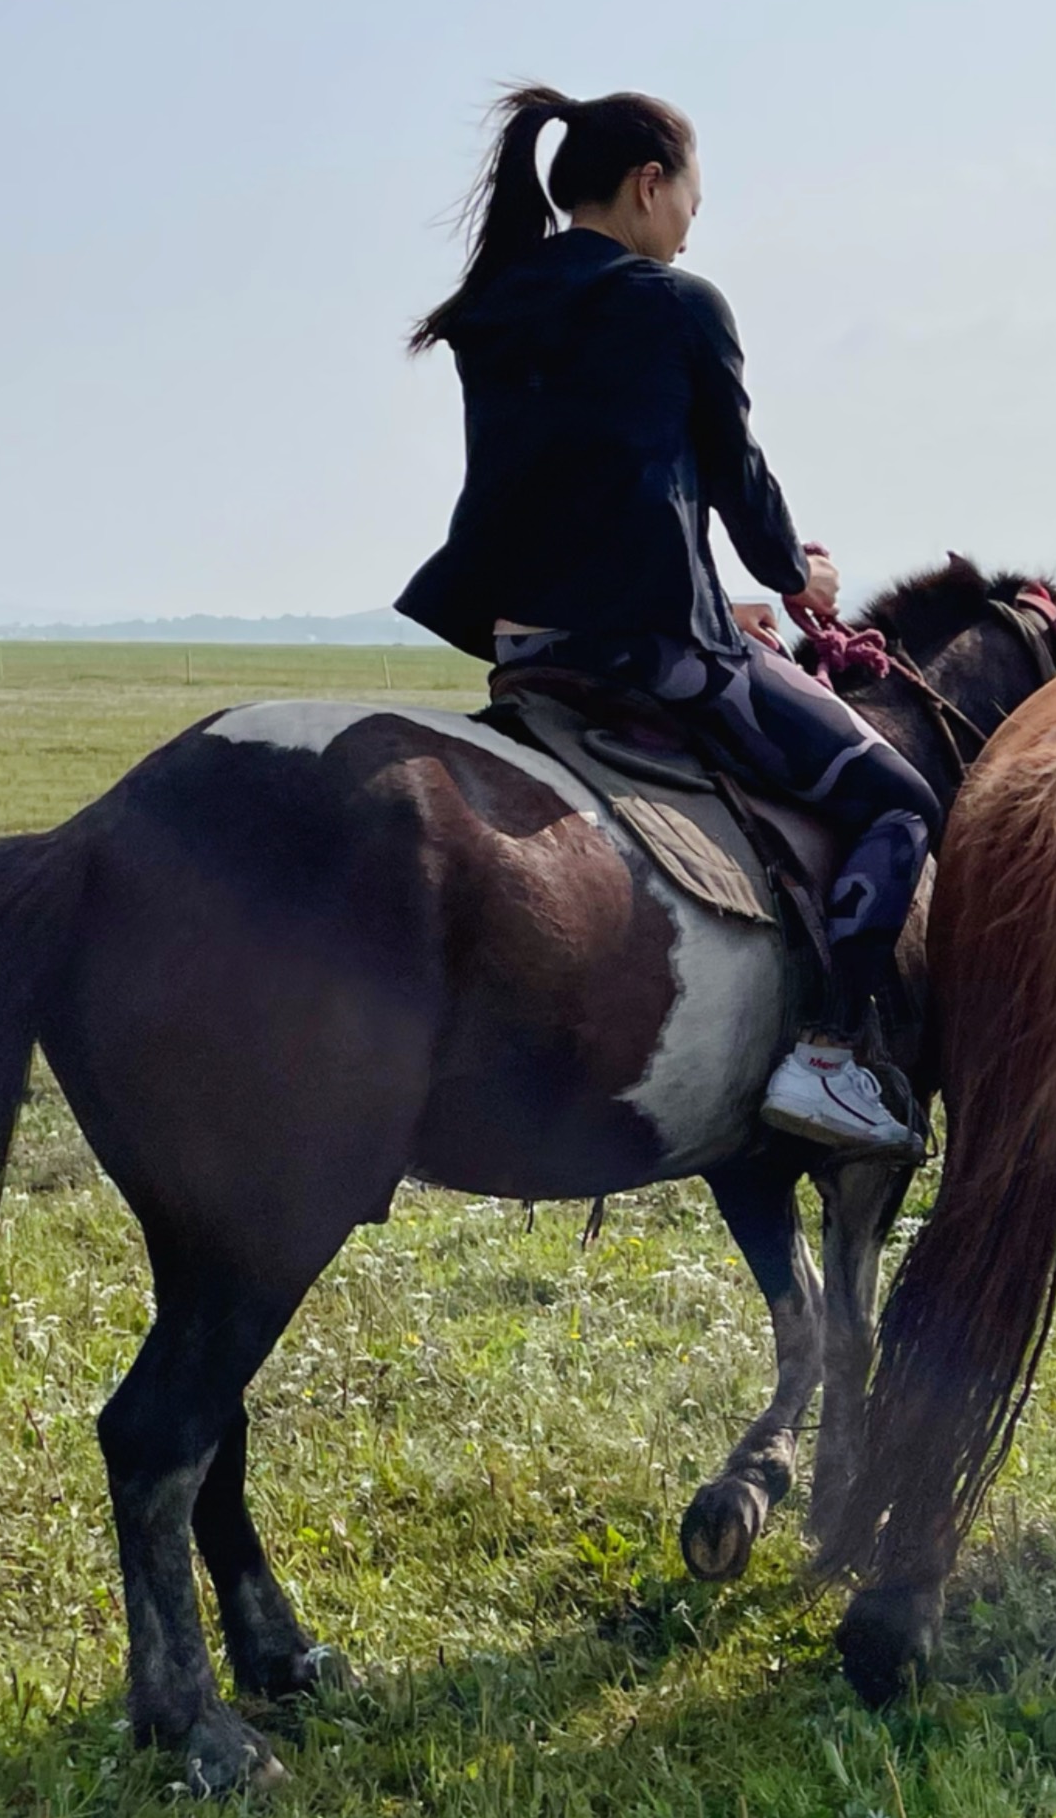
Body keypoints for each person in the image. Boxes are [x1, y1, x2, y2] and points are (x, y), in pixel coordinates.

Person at [397, 86, 938, 1158]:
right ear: (648, 184)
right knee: (900, 797)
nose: (693, 221)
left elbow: (588, 490)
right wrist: (799, 578)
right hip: (652, 655)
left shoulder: (493, 305)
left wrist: (701, 579)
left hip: (522, 646)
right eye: (692, 195)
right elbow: (735, 476)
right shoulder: (676, 302)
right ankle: (827, 1057)